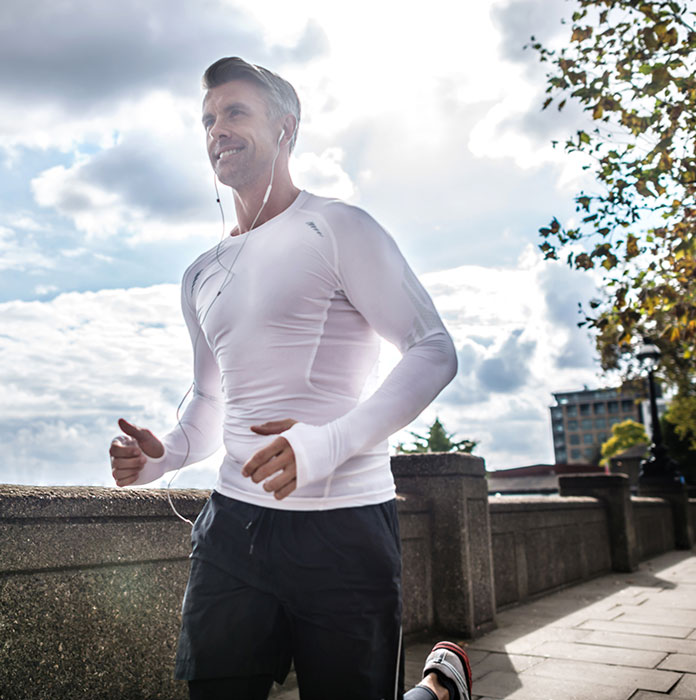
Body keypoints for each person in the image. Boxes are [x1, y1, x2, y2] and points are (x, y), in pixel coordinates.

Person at [109, 57, 460, 700]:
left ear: (286, 128)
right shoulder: (200, 274)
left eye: (236, 112)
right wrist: (164, 458)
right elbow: (213, 402)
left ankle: (439, 687)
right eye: (209, 119)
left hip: (344, 527)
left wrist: (324, 444)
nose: (218, 129)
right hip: (231, 531)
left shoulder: (339, 227)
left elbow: (433, 349)